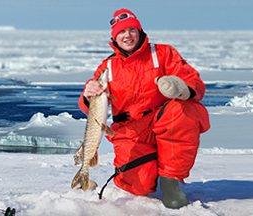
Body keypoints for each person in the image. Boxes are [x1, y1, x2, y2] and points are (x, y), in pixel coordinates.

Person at [78, 8, 210, 209]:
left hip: (163, 120)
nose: (127, 35)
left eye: (132, 30)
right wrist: (88, 95)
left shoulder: (163, 53)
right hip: (130, 131)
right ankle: (151, 164)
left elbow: (194, 82)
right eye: (121, 32)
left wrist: (181, 88)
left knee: (184, 110)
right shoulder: (107, 66)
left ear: (139, 32)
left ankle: (170, 181)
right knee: (137, 185)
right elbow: (90, 110)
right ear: (115, 37)